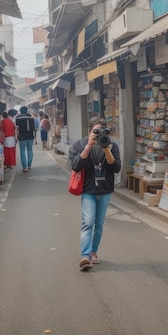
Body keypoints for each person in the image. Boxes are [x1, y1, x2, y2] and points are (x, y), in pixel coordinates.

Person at [69, 116, 121, 271]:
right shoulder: (78, 145)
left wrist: (107, 150)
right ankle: (85, 256)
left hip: (105, 190)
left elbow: (116, 168)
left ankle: (93, 252)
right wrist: (88, 146)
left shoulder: (112, 145)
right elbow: (76, 166)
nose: (99, 135)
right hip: (88, 190)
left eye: (102, 132)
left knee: (98, 225)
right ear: (90, 130)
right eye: (96, 131)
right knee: (88, 222)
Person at [15, 106, 37, 172]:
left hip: (22, 137)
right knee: (30, 150)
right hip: (30, 137)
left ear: (21, 111)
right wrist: (35, 139)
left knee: (22, 151)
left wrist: (16, 137)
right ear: (26, 111)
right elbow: (34, 129)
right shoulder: (31, 118)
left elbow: (17, 129)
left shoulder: (18, 118)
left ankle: (25, 167)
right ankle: (29, 165)